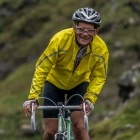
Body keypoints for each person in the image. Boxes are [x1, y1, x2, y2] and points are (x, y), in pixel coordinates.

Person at [23, 7, 109, 140]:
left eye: (90, 30)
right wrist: (33, 98)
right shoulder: (60, 39)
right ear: (75, 28)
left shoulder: (101, 48)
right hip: (54, 84)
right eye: (81, 29)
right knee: (51, 131)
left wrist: (89, 99)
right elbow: (42, 68)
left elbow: (99, 76)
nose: (85, 34)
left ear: (96, 32)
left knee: (80, 127)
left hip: (79, 84)